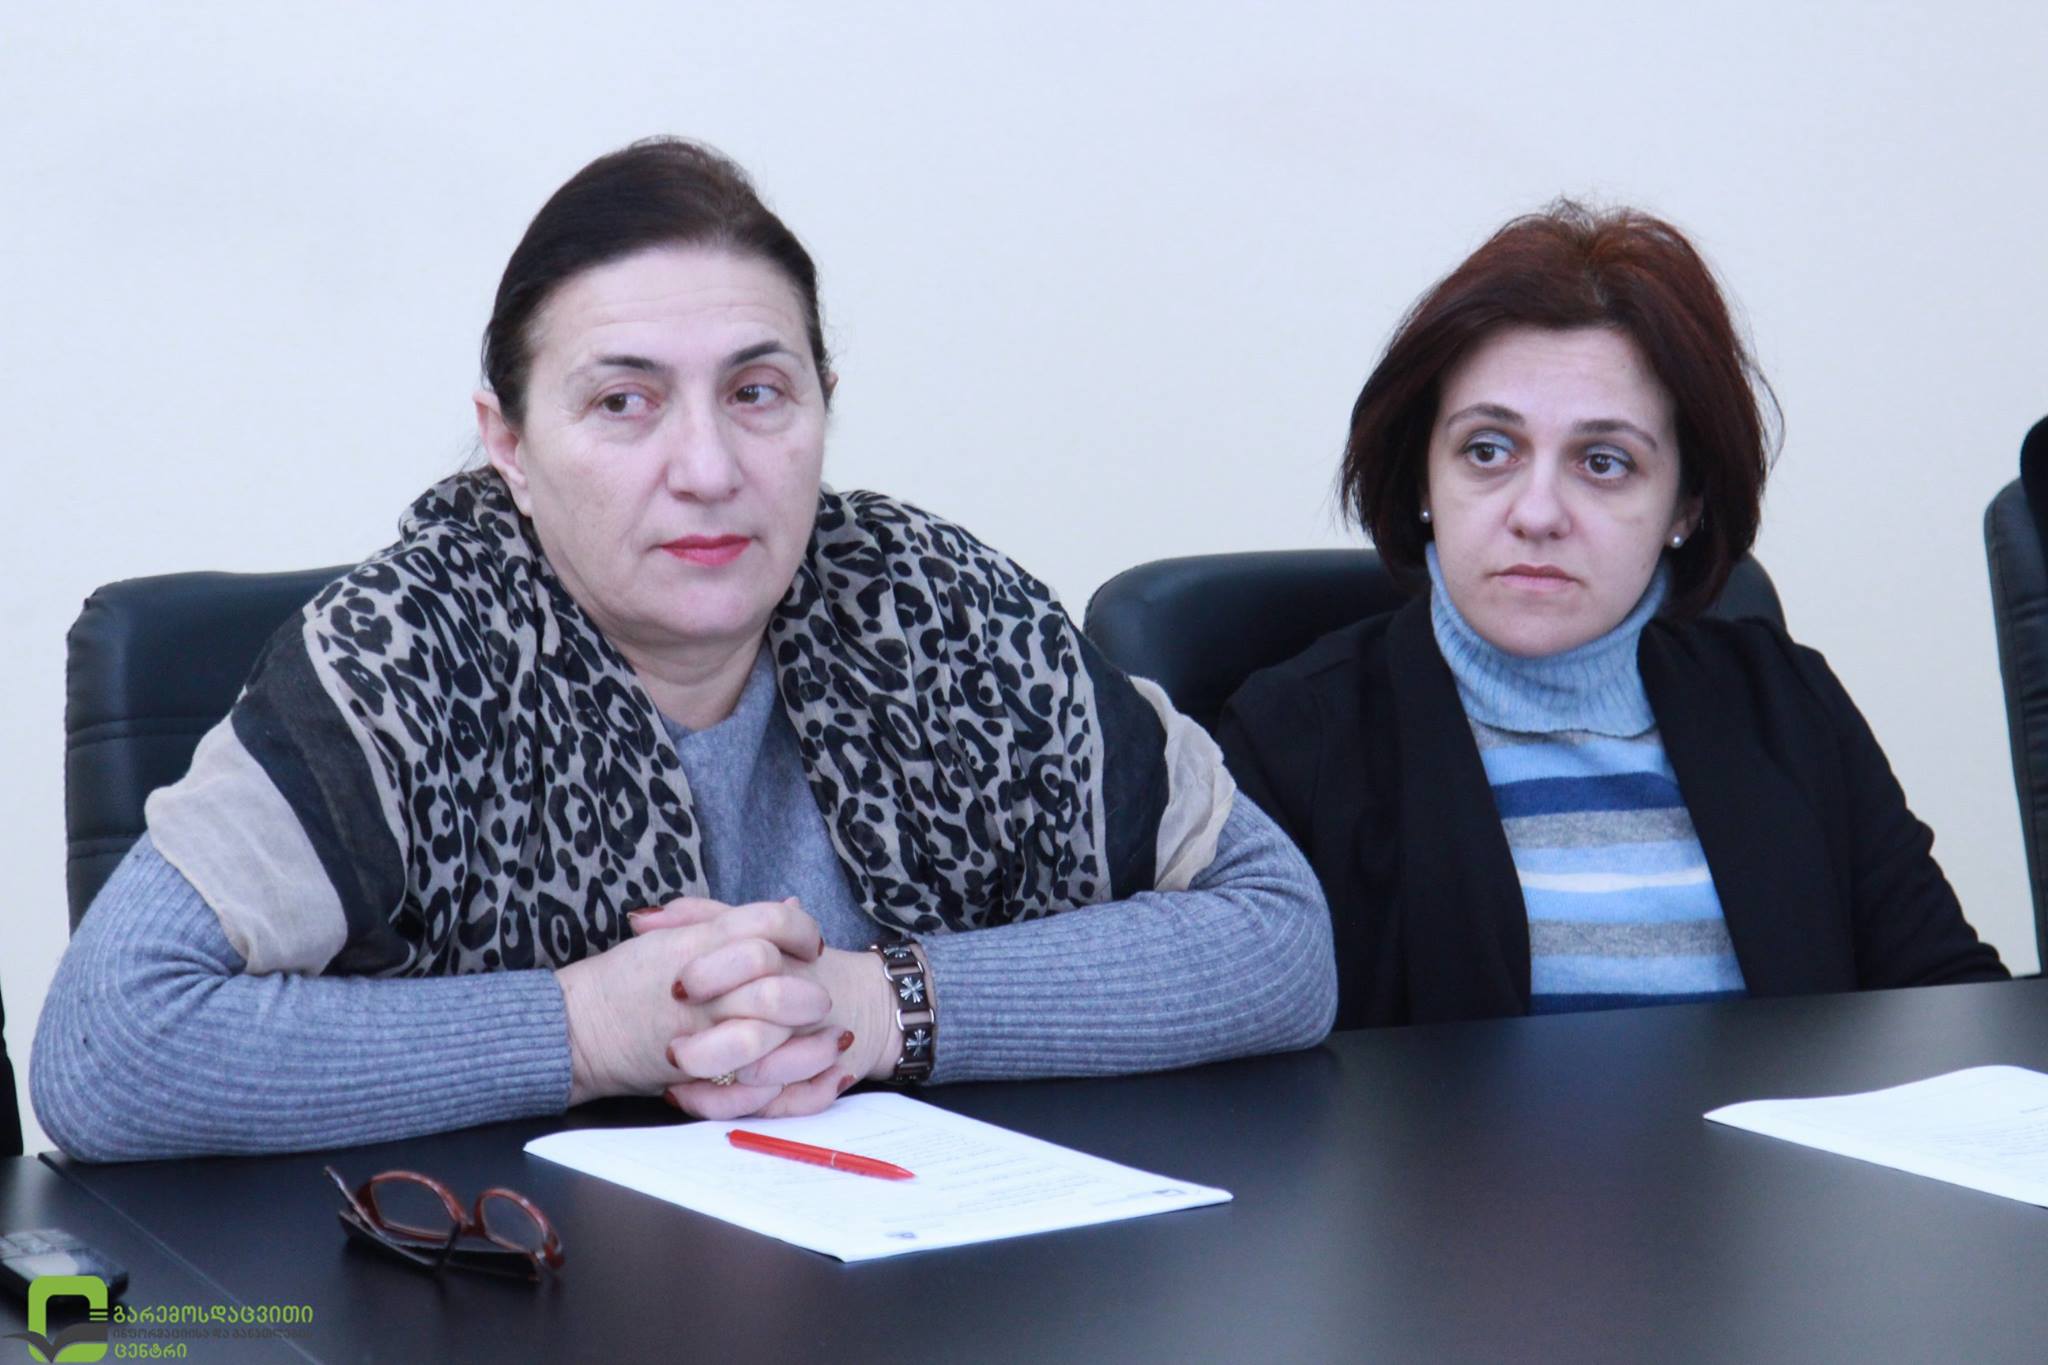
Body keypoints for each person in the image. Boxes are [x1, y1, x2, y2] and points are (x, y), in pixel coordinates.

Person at [34, 138, 1335, 1160]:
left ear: (822, 407)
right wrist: (589, 1027)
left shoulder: (948, 614)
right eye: (624, 401)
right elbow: (108, 1048)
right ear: (508, 444)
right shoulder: (401, 662)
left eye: (758, 392)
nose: (707, 467)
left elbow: (1277, 937)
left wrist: (874, 1004)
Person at [1216, 202, 2005, 1030]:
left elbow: (1953, 1010)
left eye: (1604, 462)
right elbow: (1244, 1071)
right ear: (1423, 478)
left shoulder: (1787, 704)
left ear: (1686, 505)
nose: (1537, 513)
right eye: (1488, 450)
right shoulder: (1295, 738)